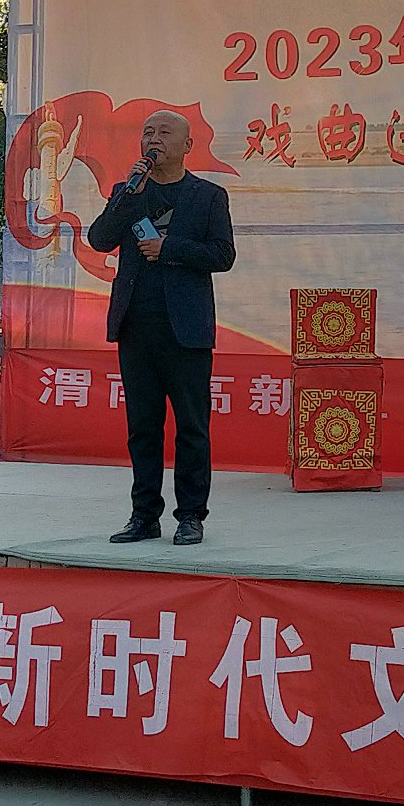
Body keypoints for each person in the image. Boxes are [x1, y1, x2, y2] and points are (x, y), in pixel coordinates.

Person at [87, 109, 236, 545]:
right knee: (142, 428)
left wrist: (170, 248)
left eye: (164, 133)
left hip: (186, 330)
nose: (154, 139)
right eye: (148, 132)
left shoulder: (208, 196)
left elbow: (222, 255)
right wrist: (127, 198)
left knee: (191, 427)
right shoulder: (128, 191)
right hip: (136, 326)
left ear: (187, 145)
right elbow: (99, 239)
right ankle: (144, 516)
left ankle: (190, 515)